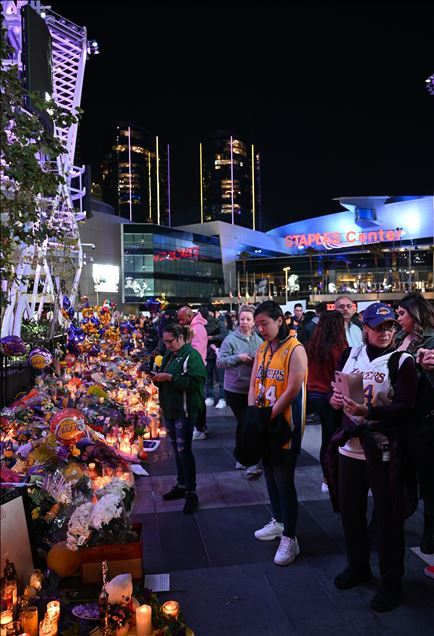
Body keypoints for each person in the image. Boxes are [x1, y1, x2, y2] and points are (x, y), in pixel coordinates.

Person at [328, 302, 418, 612]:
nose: (386, 332)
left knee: (389, 519)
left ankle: (392, 581)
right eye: (378, 328)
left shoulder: (402, 361)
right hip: (350, 448)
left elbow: (408, 407)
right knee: (351, 513)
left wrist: (371, 412)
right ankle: (358, 565)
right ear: (365, 328)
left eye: (390, 327)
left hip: (383, 448)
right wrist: (336, 400)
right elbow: (337, 394)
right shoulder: (350, 354)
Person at [248, 301, 307, 566]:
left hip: (285, 424)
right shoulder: (262, 347)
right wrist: (253, 414)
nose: (261, 329)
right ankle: (279, 521)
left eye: (265, 323)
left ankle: (291, 537)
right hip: (263, 421)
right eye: (258, 324)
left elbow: (293, 389)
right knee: (269, 474)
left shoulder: (295, 349)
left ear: (279, 320)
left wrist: (267, 416)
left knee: (284, 479)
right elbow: (254, 381)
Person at [395, 292, 434, 571]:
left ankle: (430, 537)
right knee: (401, 476)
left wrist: (424, 366)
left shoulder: (430, 340)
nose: (398, 318)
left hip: (424, 418)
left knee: (429, 483)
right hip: (401, 416)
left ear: (415, 314)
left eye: (401, 313)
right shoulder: (399, 338)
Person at [153, 323, 207, 514]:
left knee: (184, 450)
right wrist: (156, 377)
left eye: (170, 341)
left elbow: (196, 383)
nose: (166, 345)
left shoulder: (191, 356)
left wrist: (169, 378)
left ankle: (191, 491)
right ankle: (182, 484)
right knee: (177, 450)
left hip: (184, 412)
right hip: (170, 411)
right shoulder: (171, 355)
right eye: (164, 341)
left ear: (180, 338)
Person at [217, 304, 263, 478]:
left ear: (254, 322)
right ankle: (249, 461)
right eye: (242, 319)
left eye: (248, 319)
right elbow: (221, 362)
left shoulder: (259, 340)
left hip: (253, 389)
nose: (244, 322)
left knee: (247, 424)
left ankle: (243, 456)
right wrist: (238, 358)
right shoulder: (230, 339)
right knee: (245, 423)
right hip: (235, 389)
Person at [306, 310, 348, 492]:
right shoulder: (339, 347)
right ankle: (333, 478)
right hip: (332, 396)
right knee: (335, 438)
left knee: (326, 437)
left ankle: (326, 478)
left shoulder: (313, 345)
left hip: (314, 395)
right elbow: (342, 376)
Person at [177, 306, 208, 439]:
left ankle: (200, 428)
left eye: (182, 319)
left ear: (189, 317)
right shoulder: (194, 327)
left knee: (197, 400)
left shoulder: (197, 329)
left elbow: (197, 351)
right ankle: (201, 427)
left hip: (197, 370)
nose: (180, 322)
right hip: (196, 368)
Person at [203, 306, 228, 409]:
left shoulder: (220, 321)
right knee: (208, 378)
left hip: (219, 353)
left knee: (221, 378)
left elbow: (224, 335)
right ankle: (209, 397)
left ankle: (223, 398)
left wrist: (211, 337)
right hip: (208, 354)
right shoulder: (203, 324)